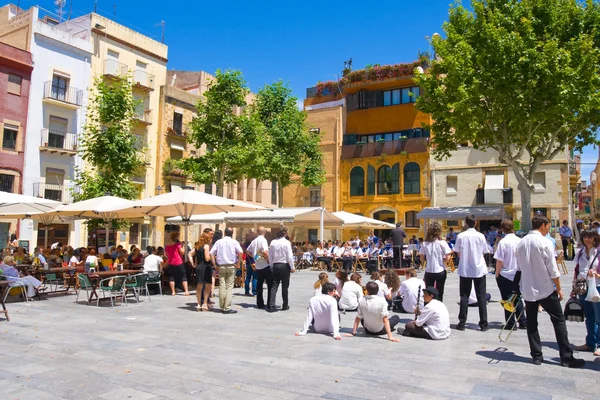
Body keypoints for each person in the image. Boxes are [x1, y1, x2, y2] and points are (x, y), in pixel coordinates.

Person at [514, 216, 585, 368]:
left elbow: (519, 268)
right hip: (545, 288)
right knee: (558, 320)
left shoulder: (521, 243)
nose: (548, 229)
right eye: (548, 226)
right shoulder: (544, 242)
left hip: (528, 288)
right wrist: (558, 288)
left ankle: (536, 356)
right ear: (543, 226)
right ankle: (566, 356)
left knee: (532, 322)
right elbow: (553, 270)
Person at [454, 214, 489, 331]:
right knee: (481, 296)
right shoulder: (481, 236)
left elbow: (457, 251)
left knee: (464, 296)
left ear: (465, 223)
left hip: (465, 269)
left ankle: (462, 323)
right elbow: (485, 251)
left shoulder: (461, 236)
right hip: (479, 268)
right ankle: (484, 323)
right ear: (476, 223)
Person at [494, 219, 526, 330]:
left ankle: (510, 322)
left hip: (506, 274)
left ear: (502, 229)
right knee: (518, 298)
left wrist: (497, 273)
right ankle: (523, 321)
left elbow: (499, 260)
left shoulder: (503, 242)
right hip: (518, 273)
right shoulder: (520, 241)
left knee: (507, 299)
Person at [572, 229, 600, 355]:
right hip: (583, 287)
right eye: (585, 237)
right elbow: (577, 270)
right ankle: (590, 343)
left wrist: (596, 274)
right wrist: (574, 288)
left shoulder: (598, 251)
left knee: (598, 317)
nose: (587, 240)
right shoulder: (581, 251)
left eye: (590, 237)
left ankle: (598, 344)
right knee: (589, 316)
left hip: (597, 287)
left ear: (595, 238)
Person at [210, 227, 243, 314]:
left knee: (222, 285)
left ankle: (221, 306)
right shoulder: (234, 242)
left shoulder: (219, 242)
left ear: (224, 233)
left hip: (221, 266)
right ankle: (227, 307)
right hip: (231, 266)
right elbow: (241, 252)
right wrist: (239, 263)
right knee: (229, 287)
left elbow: (211, 253)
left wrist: (214, 264)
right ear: (232, 234)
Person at [420, 222, 452, 302]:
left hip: (429, 270)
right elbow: (448, 257)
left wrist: (427, 260)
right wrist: (443, 260)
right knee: (439, 292)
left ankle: (429, 307)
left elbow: (421, 258)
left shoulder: (425, 243)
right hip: (440, 269)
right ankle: (439, 307)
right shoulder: (442, 243)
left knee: (428, 292)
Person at [268, 227, 296, 311]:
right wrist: (292, 267)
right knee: (285, 286)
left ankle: (272, 304)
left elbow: (270, 255)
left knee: (274, 285)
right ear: (285, 233)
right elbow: (289, 256)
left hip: (275, 265)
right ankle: (285, 305)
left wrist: (271, 265)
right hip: (284, 265)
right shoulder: (287, 242)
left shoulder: (273, 242)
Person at [247, 227, 272, 309]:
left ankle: (259, 303)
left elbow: (247, 251)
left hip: (258, 265)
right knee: (270, 284)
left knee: (259, 284)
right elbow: (265, 251)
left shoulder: (254, 241)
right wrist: (269, 260)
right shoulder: (263, 240)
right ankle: (270, 302)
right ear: (265, 232)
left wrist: (255, 257)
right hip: (265, 265)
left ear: (257, 232)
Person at [191, 228, 215, 311]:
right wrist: (212, 256)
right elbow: (207, 258)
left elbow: (189, 254)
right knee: (207, 286)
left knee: (199, 286)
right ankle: (204, 303)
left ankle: (198, 304)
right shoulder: (206, 246)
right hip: (206, 267)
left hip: (199, 267)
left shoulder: (197, 246)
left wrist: (193, 263)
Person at [165, 231, 189, 296]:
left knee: (171, 277)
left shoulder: (167, 246)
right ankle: (186, 291)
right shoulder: (178, 245)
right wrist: (183, 246)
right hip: (178, 262)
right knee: (183, 275)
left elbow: (166, 255)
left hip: (171, 263)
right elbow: (182, 252)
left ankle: (173, 292)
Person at [242, 231, 258, 296]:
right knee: (255, 277)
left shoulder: (245, 244)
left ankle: (246, 291)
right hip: (254, 261)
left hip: (248, 261)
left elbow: (244, 251)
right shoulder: (254, 243)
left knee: (248, 276)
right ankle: (254, 291)